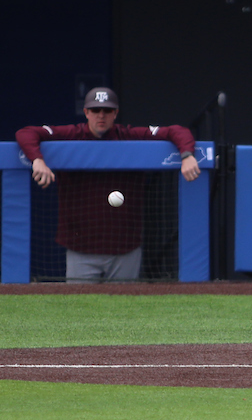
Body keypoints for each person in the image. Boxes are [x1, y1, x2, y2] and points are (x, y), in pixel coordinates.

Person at [16, 87, 200, 282]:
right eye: (95, 110)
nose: (101, 116)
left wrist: (187, 155)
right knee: (79, 301)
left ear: (115, 113)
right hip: (81, 248)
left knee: (123, 301)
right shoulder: (71, 134)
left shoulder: (129, 135)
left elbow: (177, 131)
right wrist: (37, 160)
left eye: (107, 110)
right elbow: (26, 133)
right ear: (86, 112)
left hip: (125, 247)